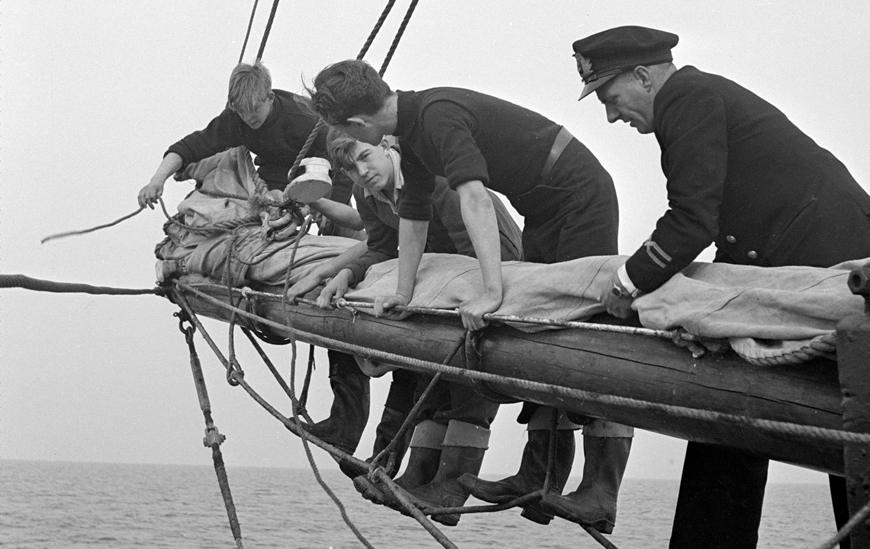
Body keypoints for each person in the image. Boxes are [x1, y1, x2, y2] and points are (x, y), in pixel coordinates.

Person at [569, 26, 870, 548]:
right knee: (738, 409)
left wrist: (625, 285)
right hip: (801, 257)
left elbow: (691, 222)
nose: (611, 114)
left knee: (855, 431)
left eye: (609, 96)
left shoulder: (687, 98)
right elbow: (731, 231)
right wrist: (706, 313)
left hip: (837, 266)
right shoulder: (697, 98)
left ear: (644, 76)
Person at [309, 59, 633, 535]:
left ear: (357, 124)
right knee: (541, 334)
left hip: (579, 194)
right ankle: (537, 478)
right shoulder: (412, 128)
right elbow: (414, 216)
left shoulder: (436, 116)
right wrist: (402, 291)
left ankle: (601, 492)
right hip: (544, 205)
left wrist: (492, 290)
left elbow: (475, 198)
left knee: (581, 329)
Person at [137, 61, 371, 456]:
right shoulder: (239, 118)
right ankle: (340, 419)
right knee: (298, 282)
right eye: (242, 114)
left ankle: (348, 422)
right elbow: (190, 146)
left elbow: (345, 161)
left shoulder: (302, 117)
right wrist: (156, 179)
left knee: (339, 295)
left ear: (268, 96)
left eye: (256, 112)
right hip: (278, 194)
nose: (251, 121)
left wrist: (326, 209)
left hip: (332, 189)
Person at [319, 134, 523, 526]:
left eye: (365, 157)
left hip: (490, 265)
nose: (362, 172)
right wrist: (347, 272)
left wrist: (453, 294)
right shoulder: (368, 194)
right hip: (435, 283)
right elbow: (381, 246)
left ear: (385, 145)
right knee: (423, 374)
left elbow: (483, 247)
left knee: (468, 382)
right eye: (350, 169)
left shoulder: (438, 182)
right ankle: (413, 475)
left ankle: (449, 488)